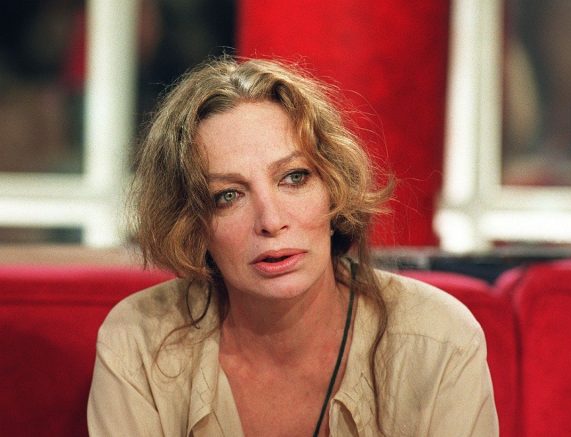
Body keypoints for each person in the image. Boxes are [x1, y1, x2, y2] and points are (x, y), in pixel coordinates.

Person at [87, 57, 498, 436]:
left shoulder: (438, 341)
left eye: (294, 177)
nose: (271, 221)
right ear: (191, 225)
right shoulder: (139, 342)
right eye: (228, 196)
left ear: (334, 187)